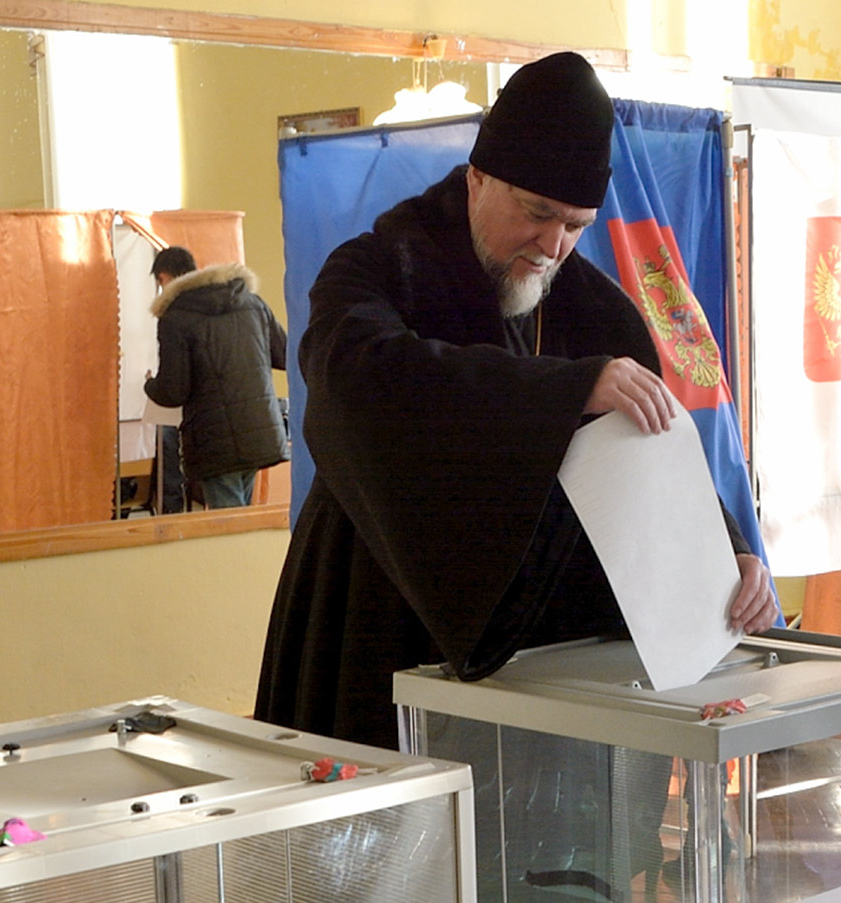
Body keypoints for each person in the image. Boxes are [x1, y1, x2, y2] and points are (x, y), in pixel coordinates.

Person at [254, 51, 776, 751]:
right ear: (477, 178)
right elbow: (357, 380)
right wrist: (564, 391)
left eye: (576, 225)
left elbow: (649, 454)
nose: (553, 246)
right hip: (374, 617)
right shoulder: (379, 267)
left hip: (543, 653)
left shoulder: (597, 312)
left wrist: (725, 557)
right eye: (537, 214)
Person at [143, 246, 290, 509]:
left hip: (214, 440)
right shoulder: (251, 302)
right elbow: (284, 355)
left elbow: (173, 391)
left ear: (164, 277)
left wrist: (150, 385)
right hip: (259, 428)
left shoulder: (175, 317)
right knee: (241, 518)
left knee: (229, 523)